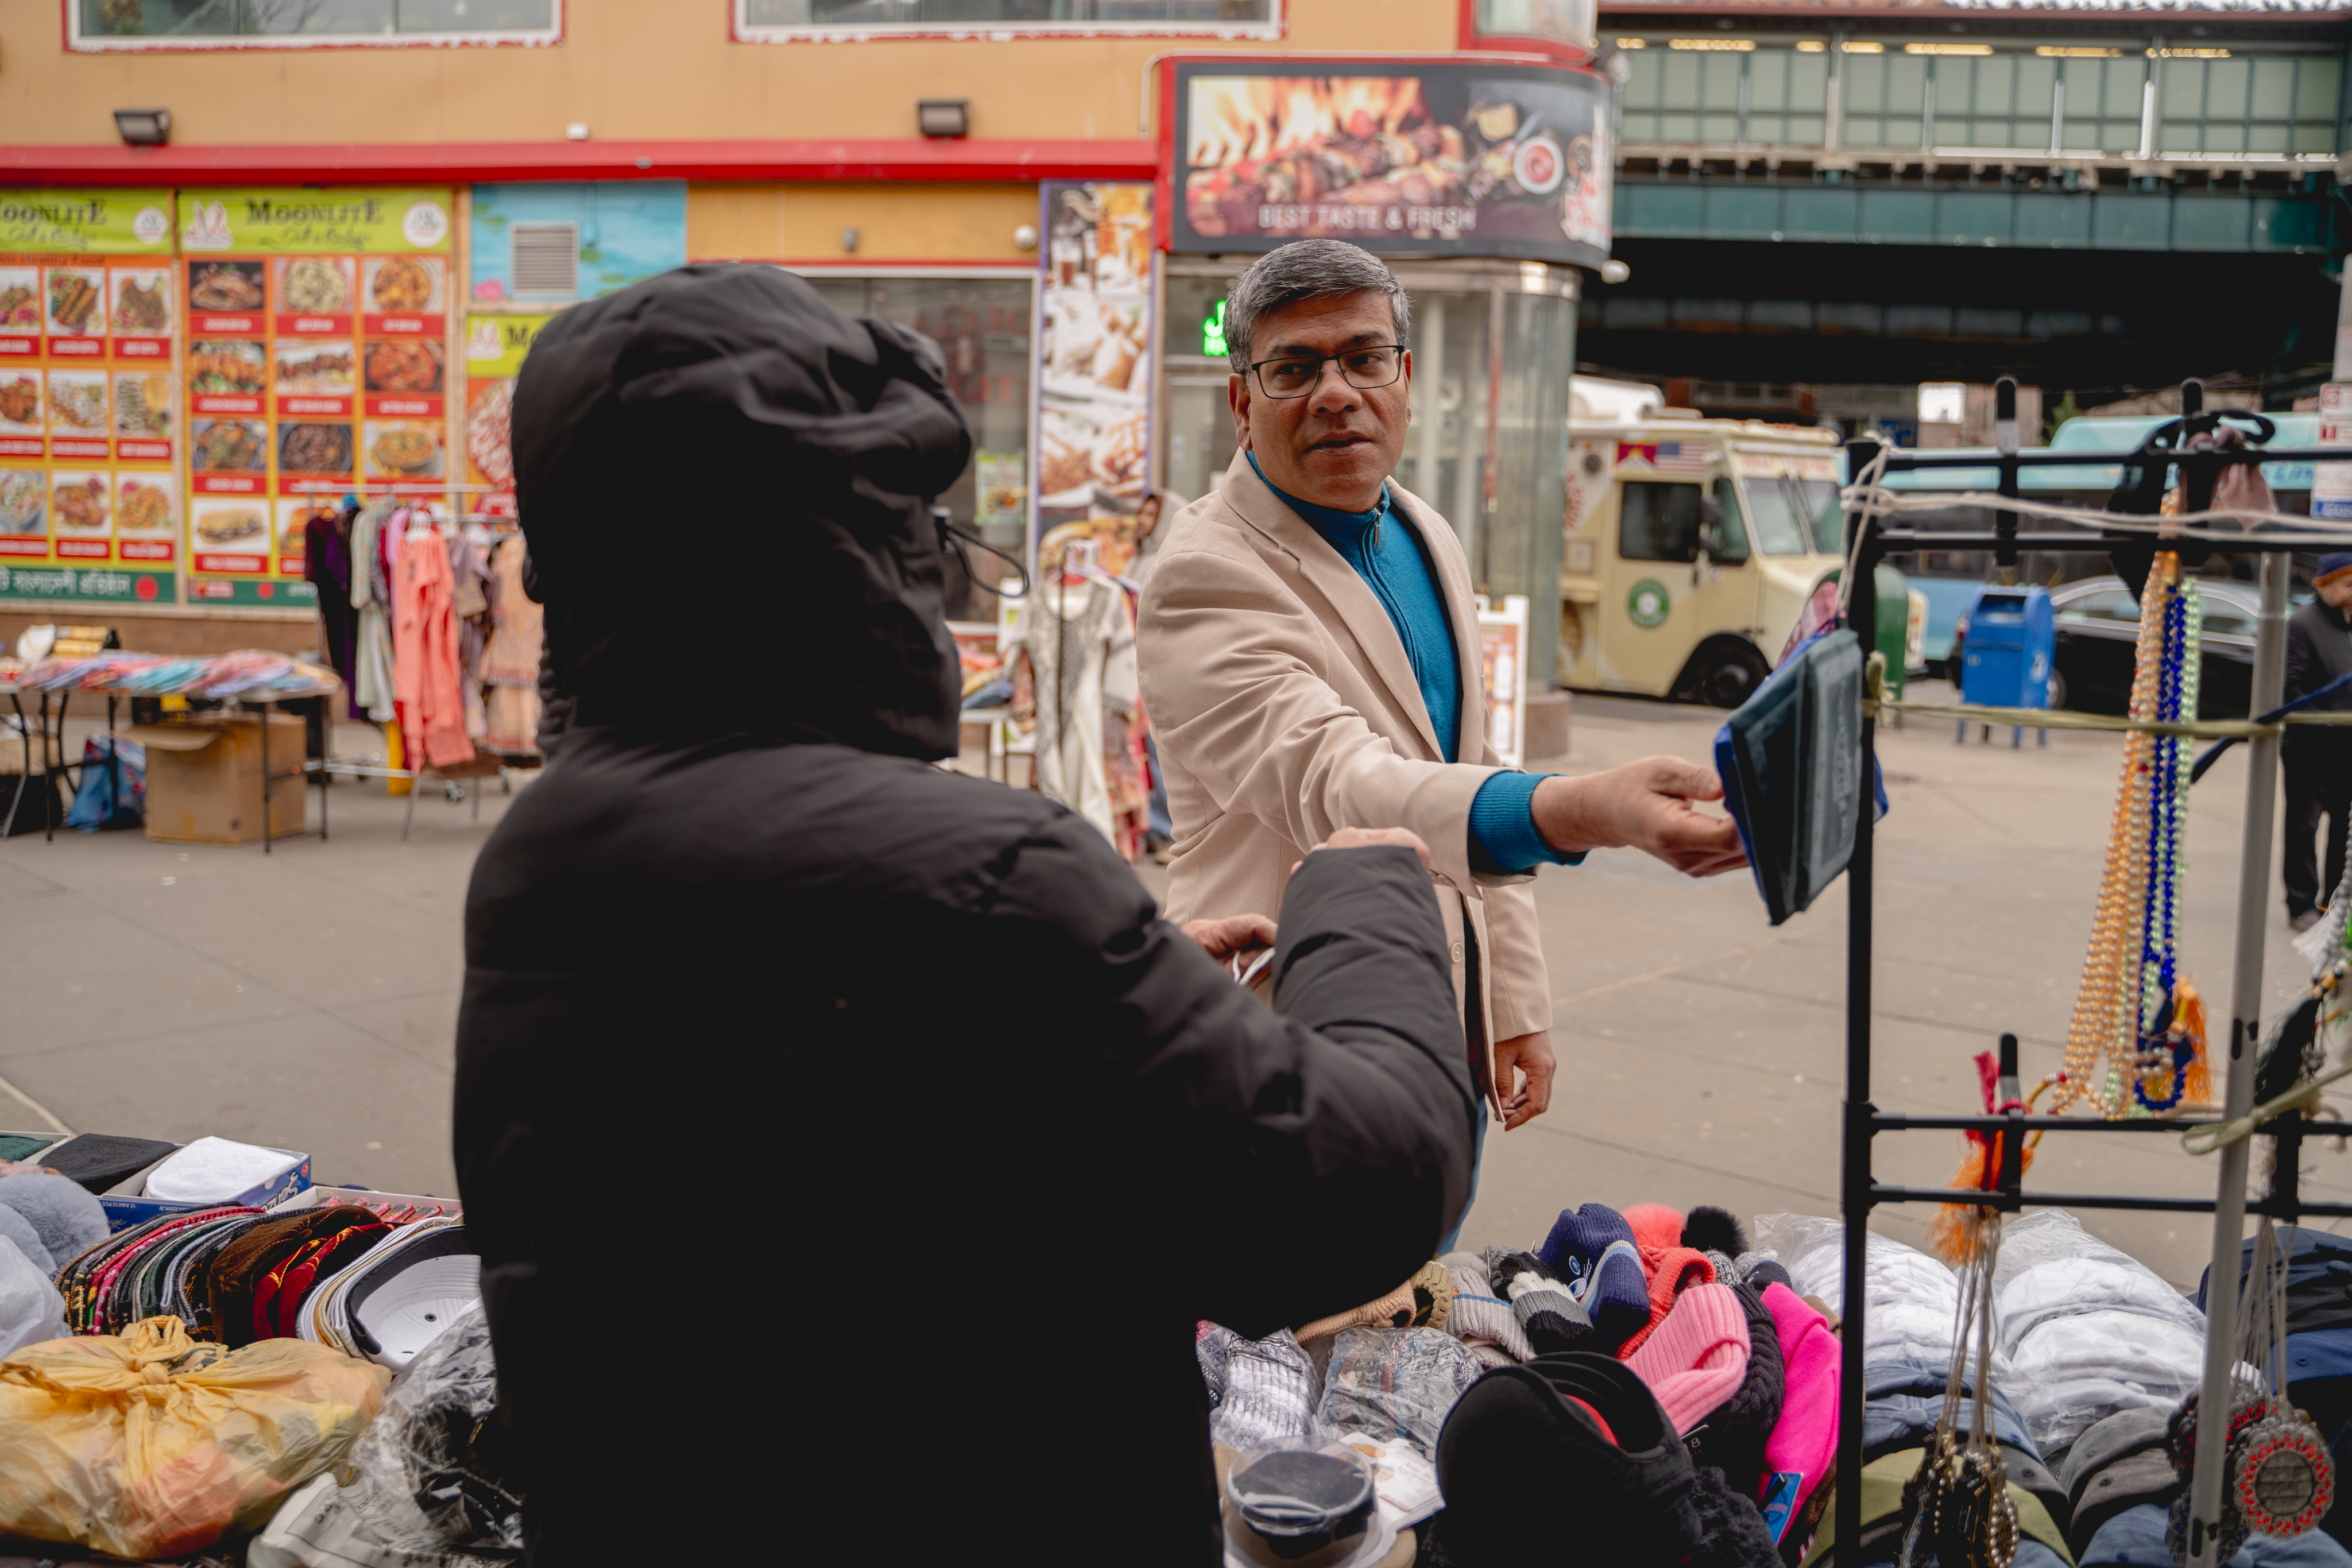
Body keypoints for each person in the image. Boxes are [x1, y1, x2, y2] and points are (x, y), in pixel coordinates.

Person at [455, 264, 1477, 1565]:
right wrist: (1365, 890)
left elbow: (847, 1154)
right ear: (846, 540)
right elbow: (1355, 1193)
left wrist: (1120, 987)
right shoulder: (980, 877)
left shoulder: (556, 845)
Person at [1138, 241, 1746, 1235]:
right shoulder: (1203, 577)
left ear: (1405, 377)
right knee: (1301, 1356)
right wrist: (1592, 807)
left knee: (1422, 1306)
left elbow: (1468, 769)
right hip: (1287, 1042)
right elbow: (1346, 786)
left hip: (1442, 1033)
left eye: (1363, 358)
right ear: (1242, 401)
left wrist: (1512, 999)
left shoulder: (1424, 530)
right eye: (1294, 369)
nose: (1335, 393)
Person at [2284, 550, 2352, 931]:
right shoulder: (2302, 624)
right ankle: (2300, 904)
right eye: (2347, 585)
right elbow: (2289, 688)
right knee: (2304, 830)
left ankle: (2333, 901)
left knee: (2343, 831)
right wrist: (2323, 724)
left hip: (2346, 751)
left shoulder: (2347, 625)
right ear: (2323, 585)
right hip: (2310, 752)